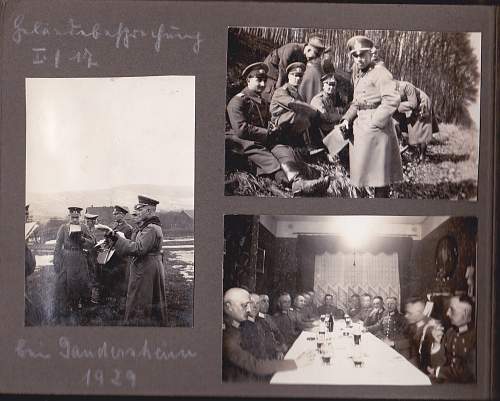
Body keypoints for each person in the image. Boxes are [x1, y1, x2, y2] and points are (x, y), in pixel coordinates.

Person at [226, 62, 329, 196]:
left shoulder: (262, 102)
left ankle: (298, 180)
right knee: (266, 156)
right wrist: (267, 132)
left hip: (262, 138)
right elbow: (241, 129)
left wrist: (272, 128)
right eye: (258, 80)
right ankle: (292, 184)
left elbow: (268, 122)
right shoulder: (238, 101)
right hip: (241, 141)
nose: (263, 84)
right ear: (248, 80)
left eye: (264, 80)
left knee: (282, 149)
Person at [338, 35, 403, 198]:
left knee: (380, 178)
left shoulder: (380, 72)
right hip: (361, 130)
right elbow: (357, 102)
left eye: (362, 55)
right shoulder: (360, 74)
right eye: (355, 55)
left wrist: (375, 122)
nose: (359, 59)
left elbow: (392, 99)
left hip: (377, 133)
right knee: (363, 175)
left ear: (370, 54)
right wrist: (347, 119)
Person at [222, 288, 314, 382]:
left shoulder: (240, 324)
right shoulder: (227, 336)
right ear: (229, 306)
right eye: (244, 305)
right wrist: (295, 363)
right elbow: (255, 365)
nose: (249, 309)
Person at [108, 195, 167, 326]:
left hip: (146, 269)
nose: (137, 213)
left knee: (140, 301)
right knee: (150, 300)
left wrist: (117, 240)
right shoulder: (150, 226)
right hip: (149, 267)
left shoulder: (150, 228)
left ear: (149, 211)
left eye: (140, 209)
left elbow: (139, 248)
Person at [270, 62, 326, 155]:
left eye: (300, 76)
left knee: (307, 116)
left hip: (289, 122)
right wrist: (314, 111)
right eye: (294, 75)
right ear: (288, 76)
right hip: (278, 124)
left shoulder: (296, 92)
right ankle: (307, 146)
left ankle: (314, 145)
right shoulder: (282, 91)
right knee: (302, 115)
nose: (298, 78)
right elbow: (294, 104)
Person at [53, 206, 95, 324]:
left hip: (80, 257)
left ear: (80, 217)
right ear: (69, 216)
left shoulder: (84, 227)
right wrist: (56, 261)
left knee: (82, 282)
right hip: (67, 257)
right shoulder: (63, 228)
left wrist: (82, 240)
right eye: (73, 217)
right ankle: (67, 309)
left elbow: (92, 242)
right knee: (66, 283)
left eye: (77, 217)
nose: (75, 220)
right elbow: (57, 246)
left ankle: (81, 309)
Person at [262, 35, 327, 102]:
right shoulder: (292, 49)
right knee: (271, 94)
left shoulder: (305, 57)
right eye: (311, 57)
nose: (310, 60)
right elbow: (282, 70)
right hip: (272, 72)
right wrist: (279, 90)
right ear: (308, 49)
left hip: (283, 74)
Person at [428, 296, 476, 383]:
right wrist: (436, 342)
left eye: (452, 310)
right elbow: (437, 364)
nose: (447, 313)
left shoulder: (476, 337)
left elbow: (468, 373)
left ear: (465, 313)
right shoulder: (450, 332)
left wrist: (438, 371)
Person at [100, 205, 134, 317]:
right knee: (111, 282)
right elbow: (108, 240)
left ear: (123, 215)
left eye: (117, 213)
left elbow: (129, 245)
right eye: (114, 213)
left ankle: (121, 308)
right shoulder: (113, 226)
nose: (115, 215)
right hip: (111, 258)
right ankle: (113, 306)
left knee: (121, 284)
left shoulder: (128, 228)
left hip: (121, 259)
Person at [394, 80, 439, 162]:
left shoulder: (406, 86)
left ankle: (422, 156)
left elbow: (413, 104)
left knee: (421, 129)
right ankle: (414, 152)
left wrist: (396, 107)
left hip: (422, 103)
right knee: (411, 129)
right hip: (413, 106)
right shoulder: (389, 91)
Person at [398, 297, 439, 372]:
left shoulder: (432, 328)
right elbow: (410, 343)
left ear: (419, 313)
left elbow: (427, 360)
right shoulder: (413, 324)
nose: (406, 316)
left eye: (409, 313)